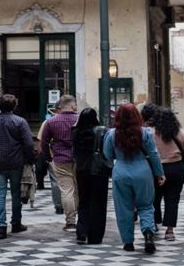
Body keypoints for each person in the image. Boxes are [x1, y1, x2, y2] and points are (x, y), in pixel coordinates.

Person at [104, 104, 165, 254]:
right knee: (146, 205)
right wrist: (159, 173)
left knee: (123, 208)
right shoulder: (145, 133)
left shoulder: (112, 134)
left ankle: (128, 242)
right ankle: (148, 233)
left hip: (121, 170)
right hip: (142, 171)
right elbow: (153, 154)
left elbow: (107, 154)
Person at [0, 94, 36, 239]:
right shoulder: (20, 121)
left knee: (0, 193)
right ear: (15, 106)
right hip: (16, 163)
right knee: (16, 194)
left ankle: (1, 227)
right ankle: (16, 223)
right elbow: (28, 143)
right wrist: (30, 158)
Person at [151, 107, 184, 241]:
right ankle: (169, 231)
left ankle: (154, 222)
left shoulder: (151, 133)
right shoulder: (180, 133)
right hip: (175, 169)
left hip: (156, 169)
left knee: (154, 198)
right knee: (172, 199)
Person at [40, 95, 80, 231]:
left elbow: (44, 142)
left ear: (60, 106)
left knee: (66, 190)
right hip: (79, 159)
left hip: (61, 159)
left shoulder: (51, 121)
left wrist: (48, 157)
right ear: (72, 106)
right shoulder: (80, 119)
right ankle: (82, 219)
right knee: (78, 189)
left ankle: (70, 222)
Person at [72, 107, 110, 244]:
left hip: (81, 170)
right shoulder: (102, 131)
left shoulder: (75, 132)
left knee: (83, 200)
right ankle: (95, 235)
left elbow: (74, 151)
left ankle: (81, 231)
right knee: (98, 202)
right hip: (99, 170)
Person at [36, 107, 64, 214]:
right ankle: (69, 204)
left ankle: (59, 205)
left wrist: (45, 155)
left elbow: (41, 141)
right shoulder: (74, 120)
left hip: (53, 155)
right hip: (69, 156)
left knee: (56, 181)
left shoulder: (48, 122)